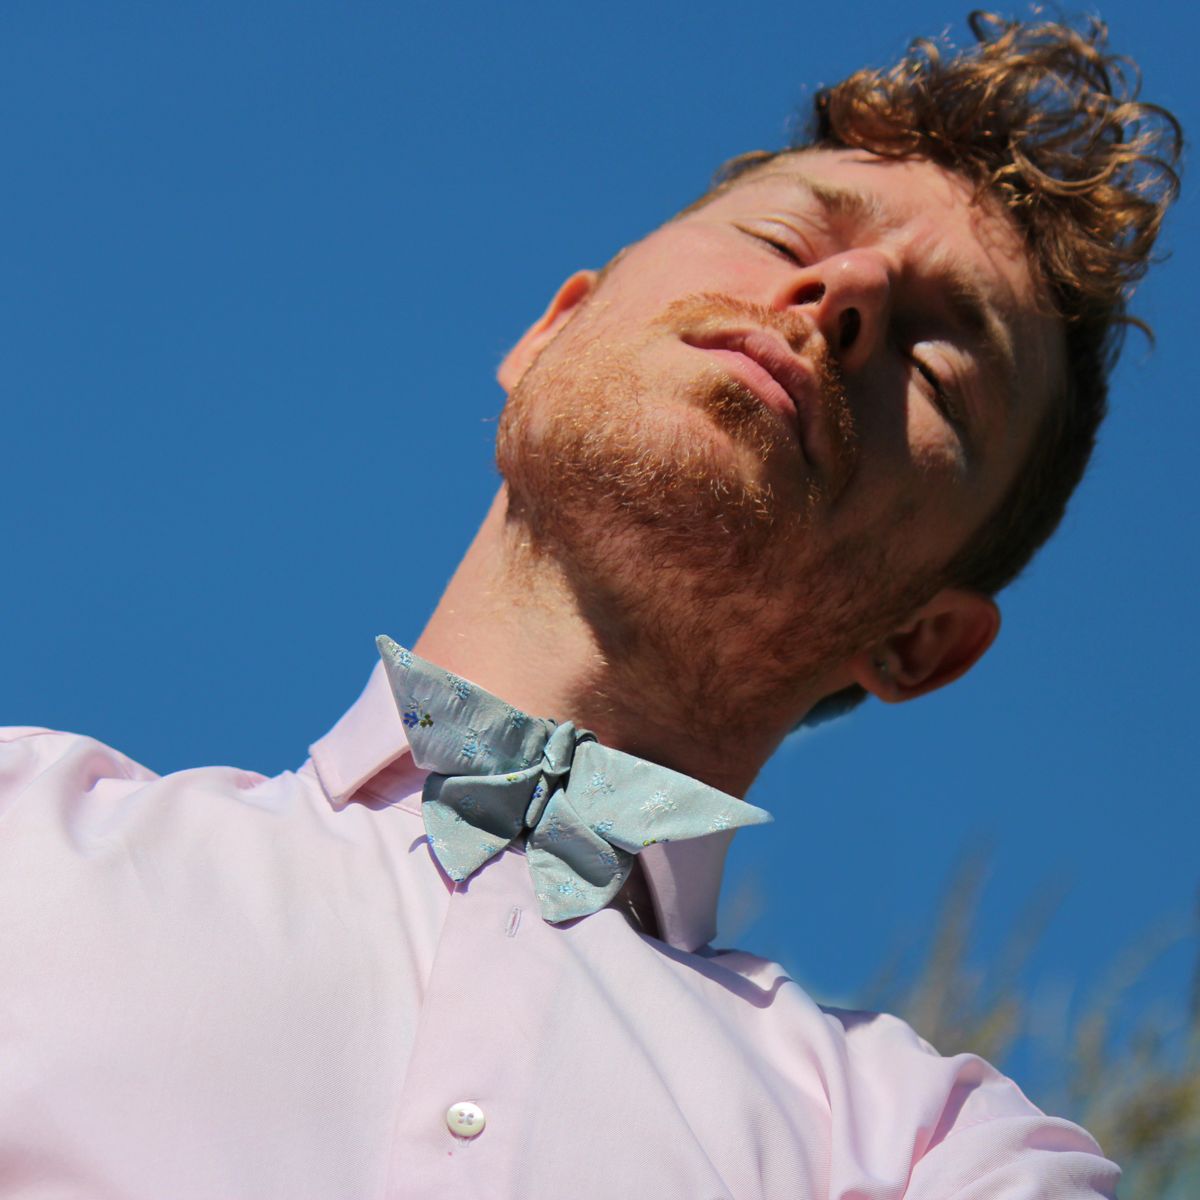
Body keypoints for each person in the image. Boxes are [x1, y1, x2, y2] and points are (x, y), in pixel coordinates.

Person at [0, 11, 1181, 1199]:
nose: (843, 290)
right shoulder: (24, 835)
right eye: (783, 232)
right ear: (550, 330)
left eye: (938, 368)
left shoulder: (937, 1150)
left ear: (922, 644)